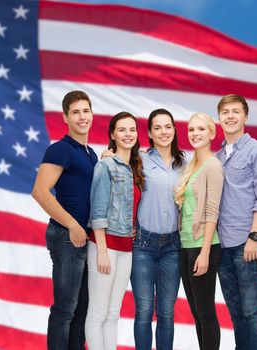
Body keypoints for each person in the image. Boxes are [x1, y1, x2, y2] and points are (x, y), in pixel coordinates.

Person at [31, 91, 97, 350]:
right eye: (76, 112)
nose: (82, 117)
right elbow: (40, 192)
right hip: (66, 236)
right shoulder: (60, 149)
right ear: (65, 118)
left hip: (85, 238)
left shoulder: (90, 153)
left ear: (92, 114)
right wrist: (72, 225)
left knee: (81, 310)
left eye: (86, 111)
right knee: (65, 310)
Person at [216, 94, 257, 350]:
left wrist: (254, 237)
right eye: (225, 112)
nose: (230, 116)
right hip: (222, 245)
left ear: (245, 116)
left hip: (247, 241)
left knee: (254, 313)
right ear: (219, 118)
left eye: (235, 111)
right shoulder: (216, 157)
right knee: (237, 315)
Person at [86, 111, 145, 350]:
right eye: (122, 130)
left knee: (113, 312)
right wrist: (101, 250)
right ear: (112, 134)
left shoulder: (136, 168)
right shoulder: (105, 166)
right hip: (105, 246)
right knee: (98, 311)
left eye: (132, 129)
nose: (128, 134)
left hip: (126, 248)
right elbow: (98, 212)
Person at [131, 109, 185, 350]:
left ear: (174, 130)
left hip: (173, 247)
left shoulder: (185, 164)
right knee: (143, 311)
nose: (164, 132)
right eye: (158, 128)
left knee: (166, 312)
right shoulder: (139, 160)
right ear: (150, 133)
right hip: (142, 245)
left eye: (168, 127)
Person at [175, 112, 224, 350]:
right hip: (185, 246)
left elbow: (212, 211)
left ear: (212, 133)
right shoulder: (191, 165)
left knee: (205, 311)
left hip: (203, 246)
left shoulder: (213, 166)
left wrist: (204, 253)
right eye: (192, 130)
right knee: (196, 311)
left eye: (201, 129)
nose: (195, 134)